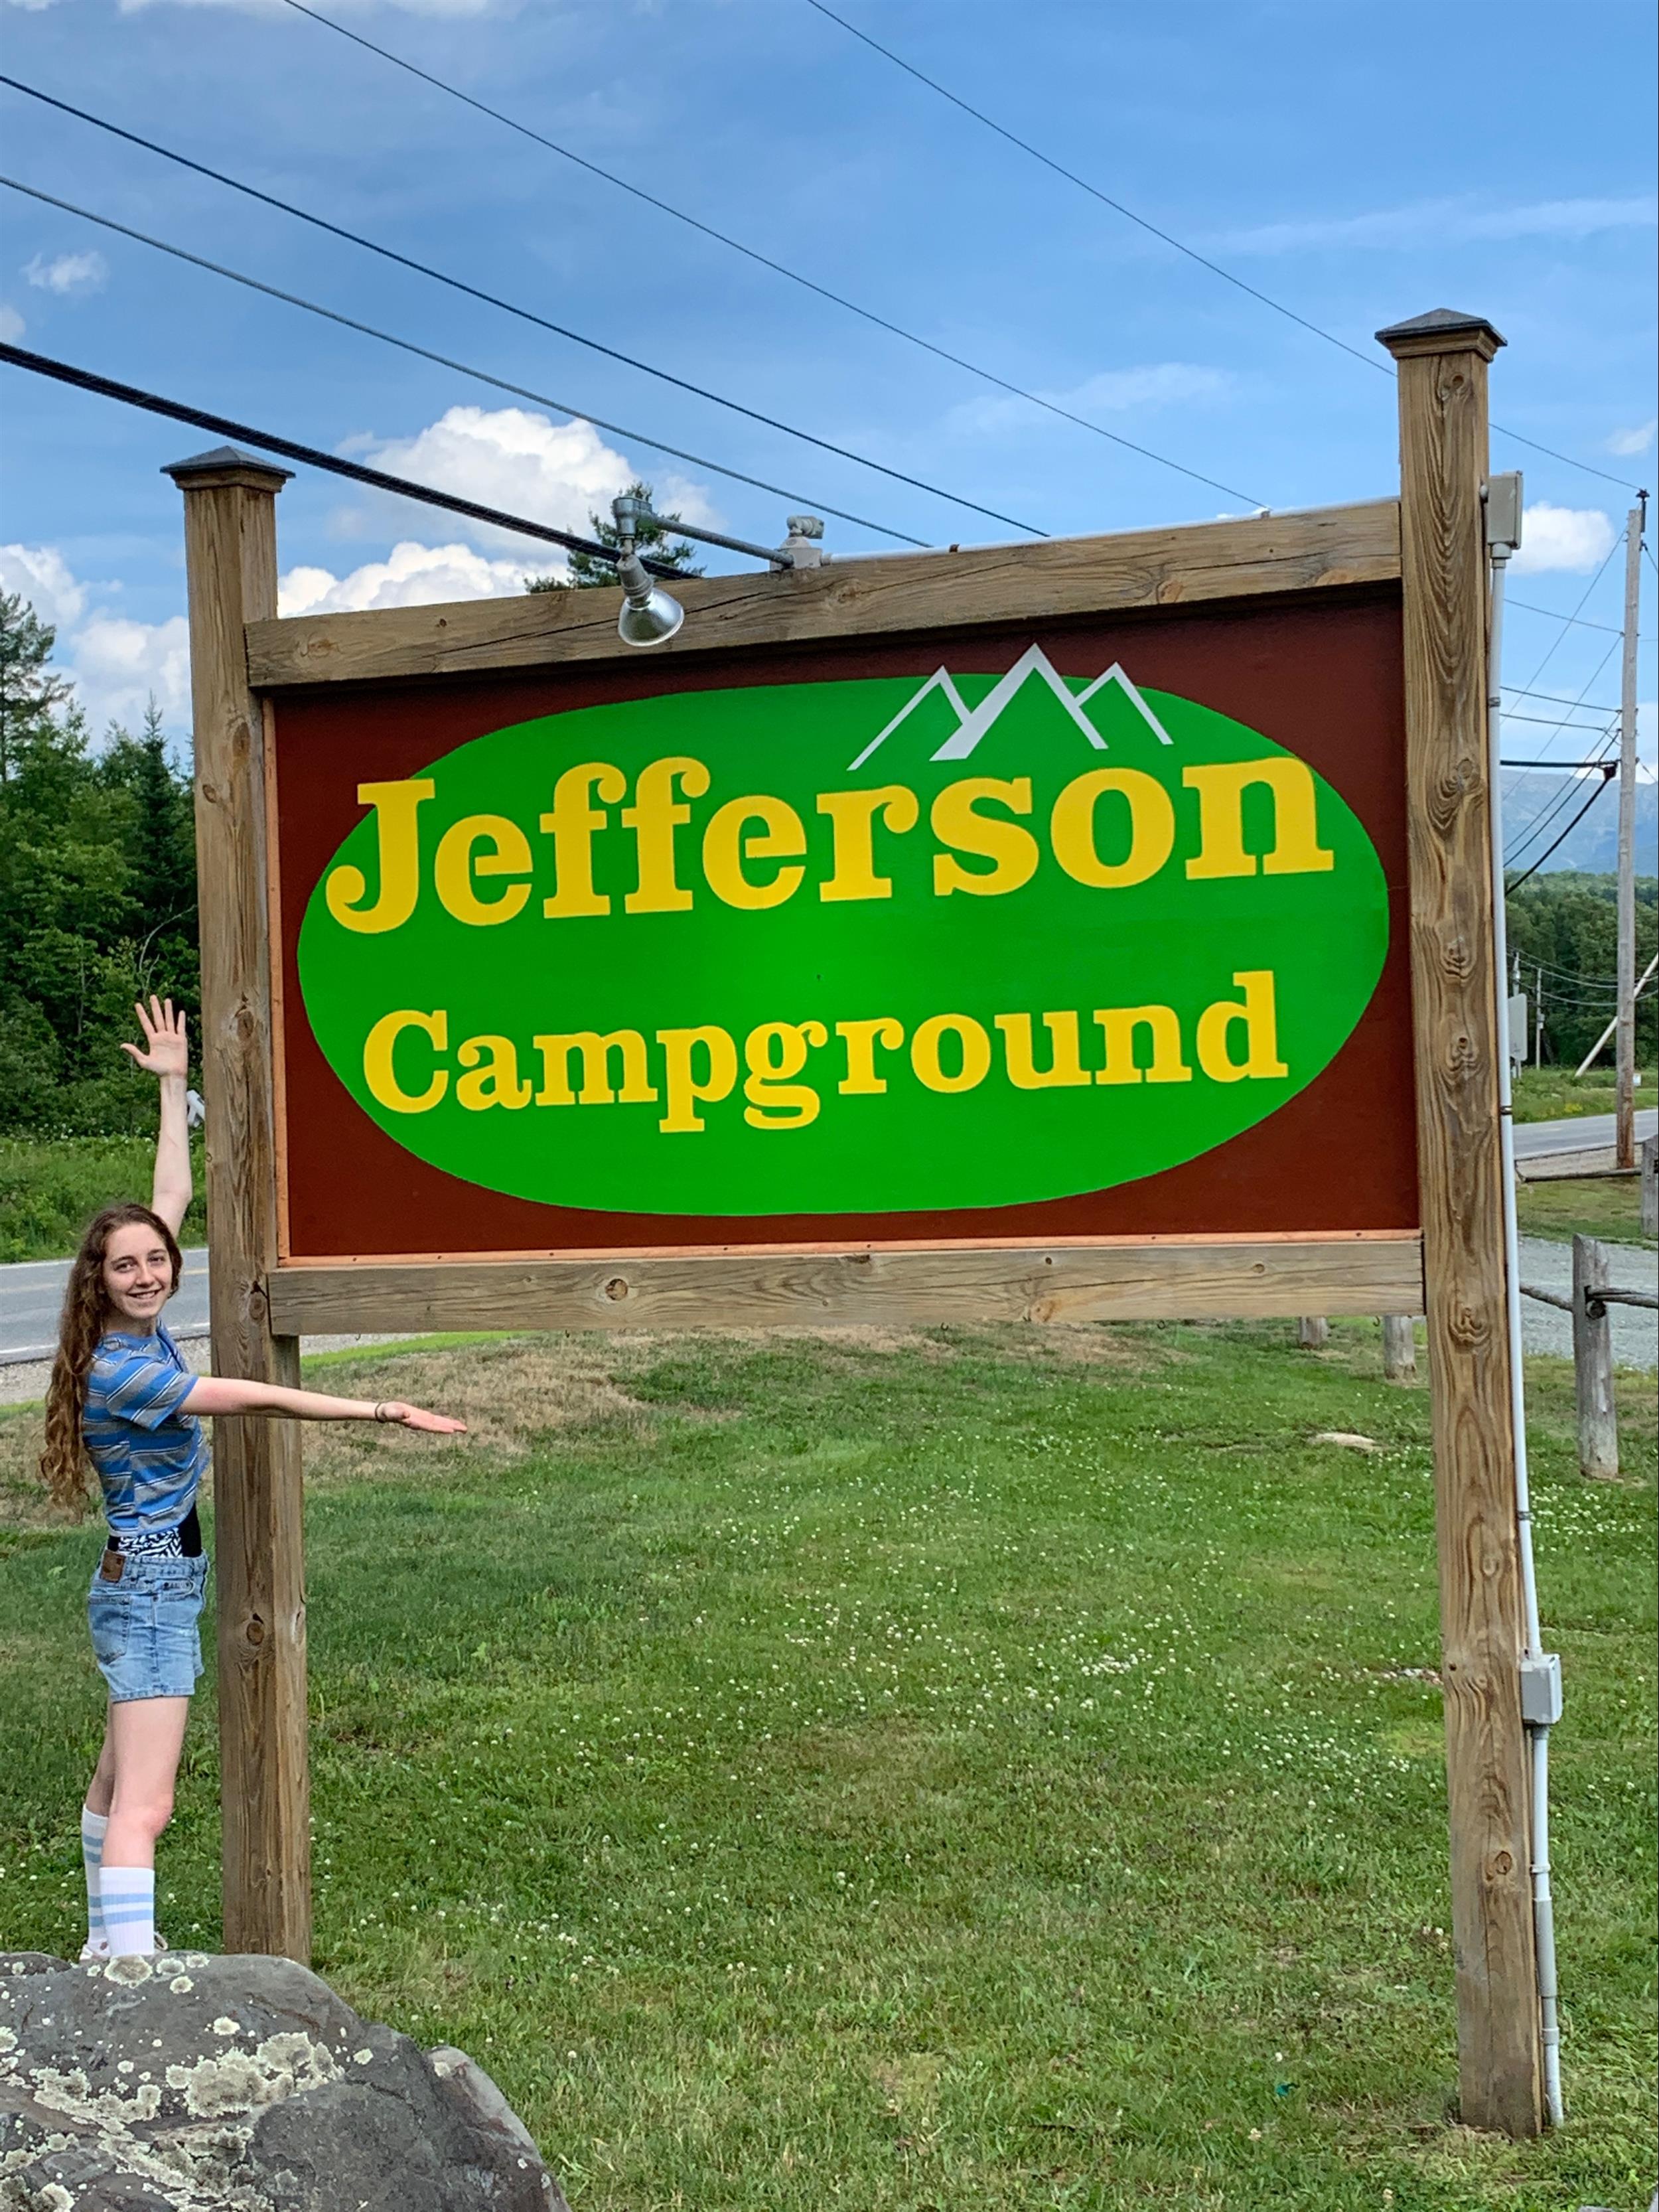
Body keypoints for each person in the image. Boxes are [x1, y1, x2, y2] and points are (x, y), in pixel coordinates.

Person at [39, 997, 466, 1960]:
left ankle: (104, 1952)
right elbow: (245, 1399)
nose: (147, 1273)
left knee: (115, 1785)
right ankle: (131, 1976)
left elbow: (168, 1192)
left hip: (141, 1578)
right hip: (149, 1584)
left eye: (156, 1260)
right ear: (96, 1281)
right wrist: (376, 1410)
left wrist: (173, 1085)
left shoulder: (122, 1330)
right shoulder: (128, 1370)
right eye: (126, 1266)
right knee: (148, 1802)